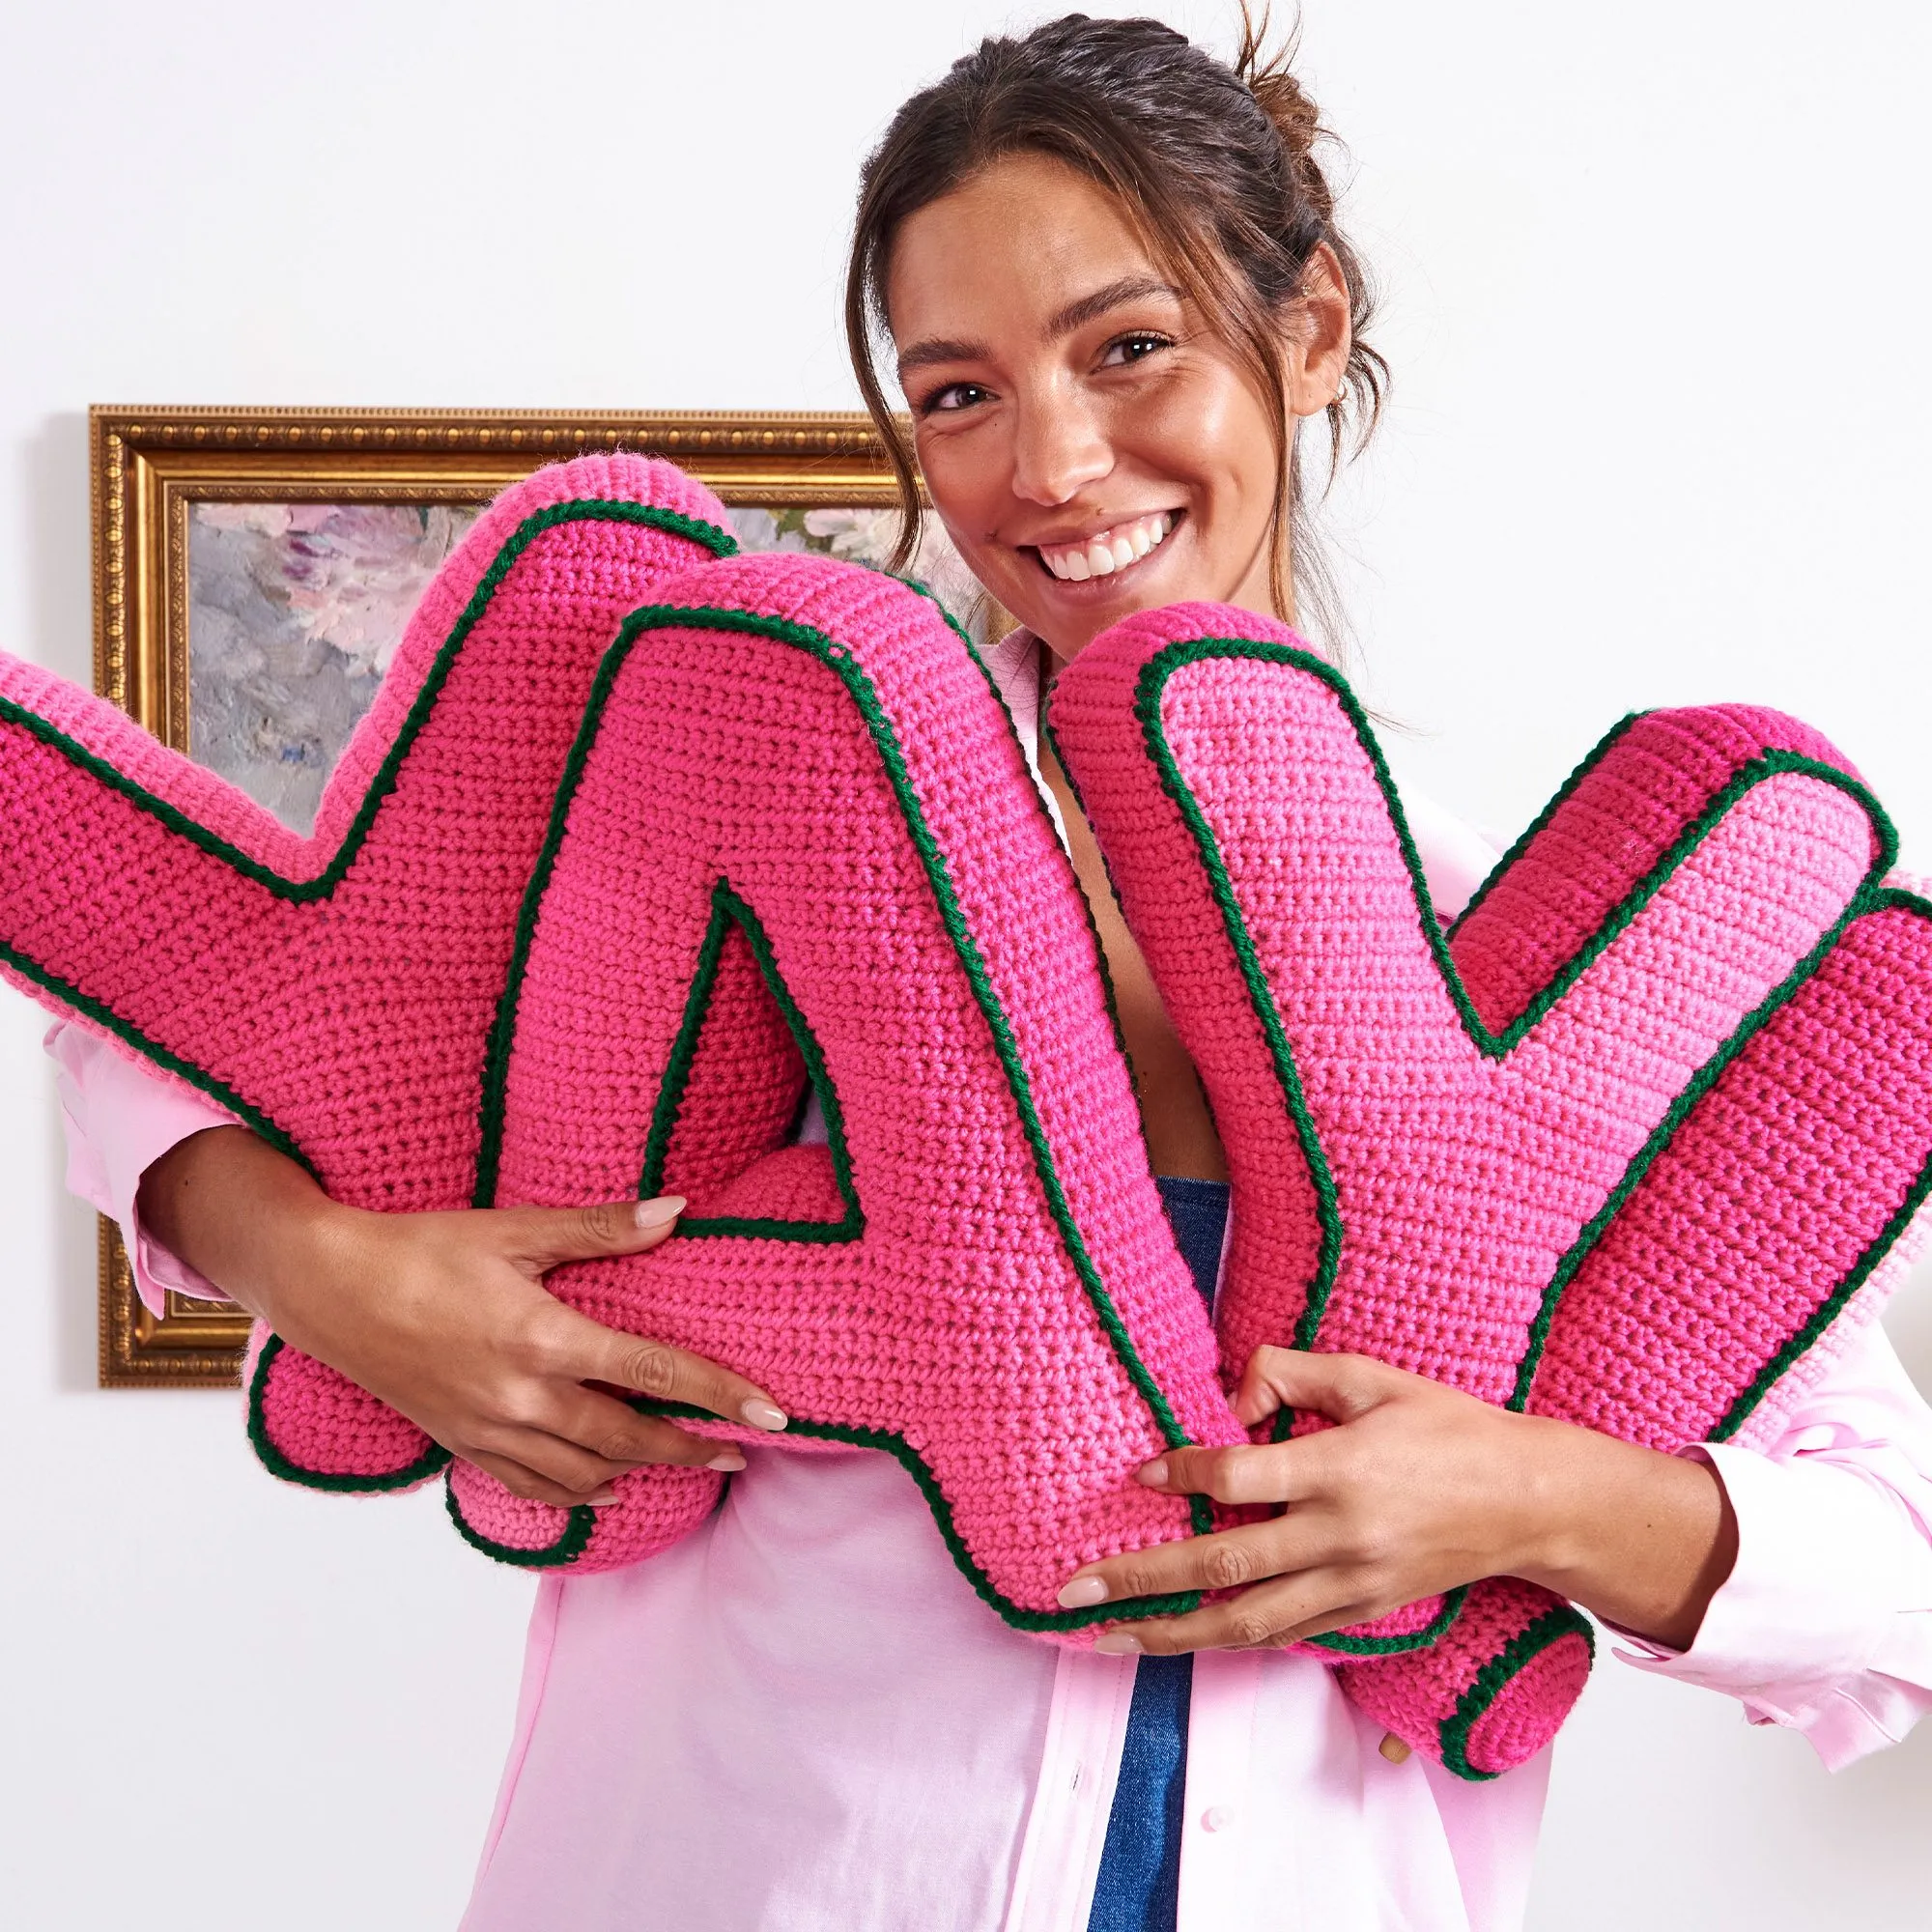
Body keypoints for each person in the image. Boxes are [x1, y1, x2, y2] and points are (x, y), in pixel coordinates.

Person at [49, 14, 1932, 1931]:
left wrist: (1523, 1500)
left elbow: (1898, 1575)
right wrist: (320, 1271)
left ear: (1301, 331)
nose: (1046, 463)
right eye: (955, 393)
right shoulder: (792, 824)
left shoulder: (1510, 978)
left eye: (1130, 349)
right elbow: (206, 1034)